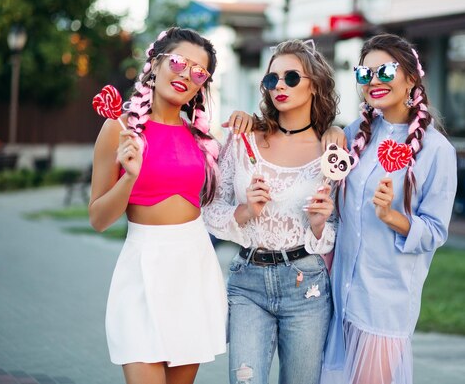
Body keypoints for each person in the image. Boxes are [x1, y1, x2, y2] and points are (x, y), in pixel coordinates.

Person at [89, 27, 228, 384]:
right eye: (179, 62)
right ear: (154, 63)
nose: (186, 75)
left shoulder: (201, 138)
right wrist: (129, 178)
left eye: (199, 72)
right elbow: (99, 219)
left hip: (193, 269)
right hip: (142, 269)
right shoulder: (118, 129)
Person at [319, 33, 457, 384]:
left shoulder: (437, 150)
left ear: (411, 77)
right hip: (340, 294)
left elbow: (436, 232)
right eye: (364, 74)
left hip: (384, 299)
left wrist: (392, 217)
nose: (374, 81)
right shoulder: (355, 133)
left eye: (385, 71)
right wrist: (333, 131)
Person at [203, 39, 338, 384]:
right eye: (271, 79)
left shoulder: (332, 149)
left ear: (315, 84)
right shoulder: (244, 139)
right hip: (248, 282)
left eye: (291, 77)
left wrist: (320, 224)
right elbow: (213, 207)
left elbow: (338, 228)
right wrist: (246, 210)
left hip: (306, 286)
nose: (279, 85)